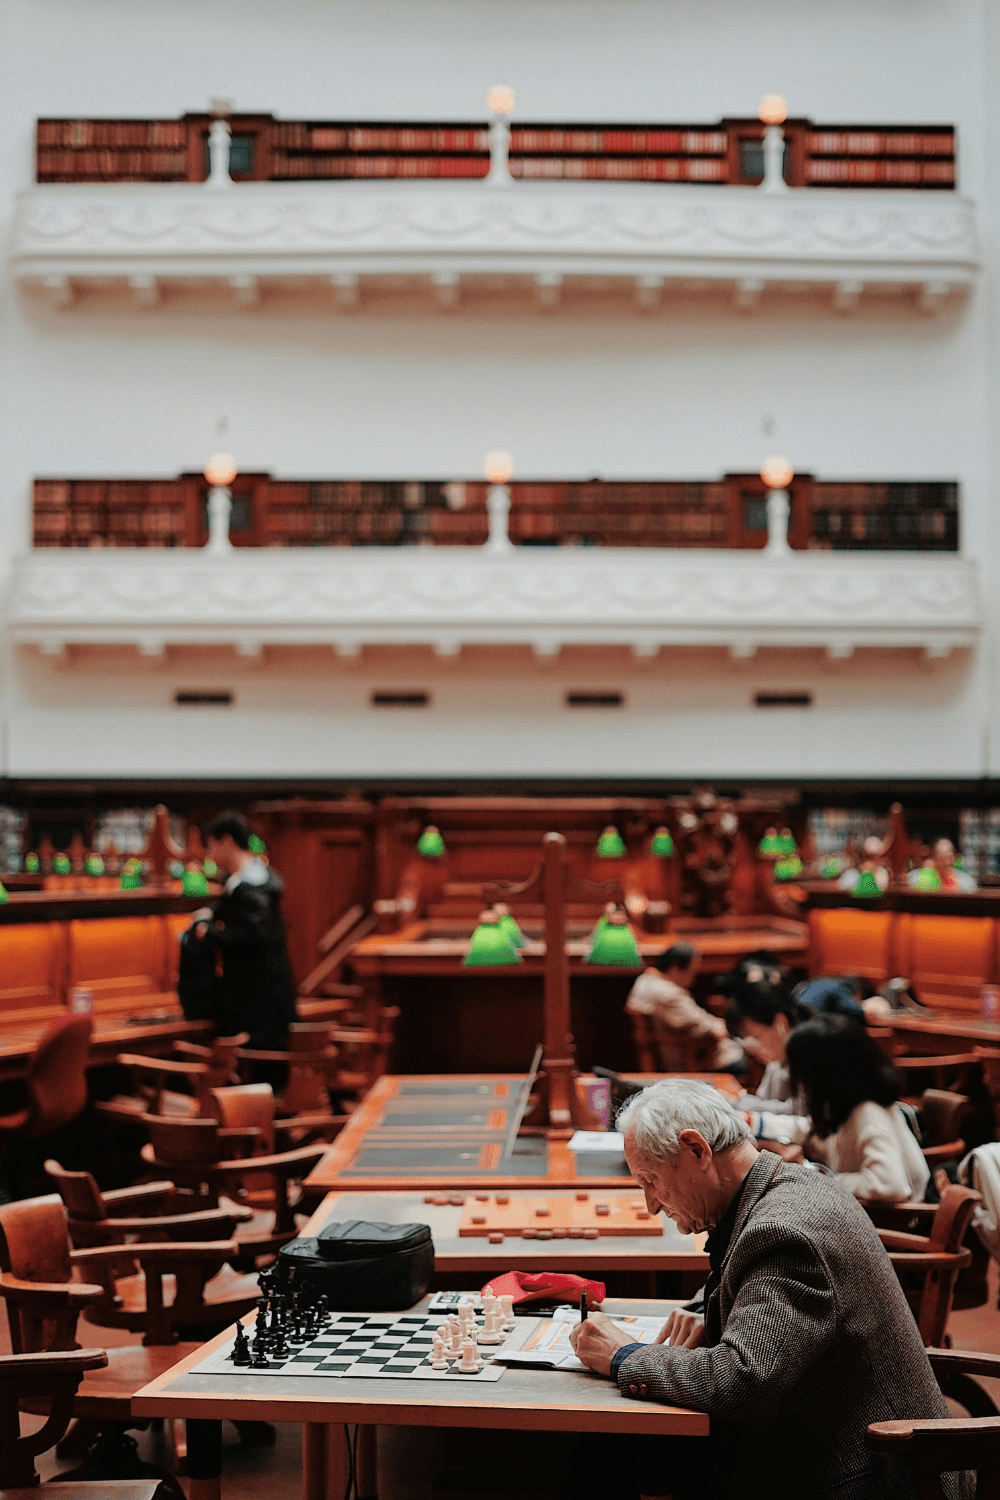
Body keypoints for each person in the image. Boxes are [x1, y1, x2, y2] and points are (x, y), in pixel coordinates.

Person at [569, 1078, 955, 1500]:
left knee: (608, 1462)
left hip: (866, 1479)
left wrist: (623, 1355)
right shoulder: (786, 1186)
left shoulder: (784, 1230)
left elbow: (742, 1381)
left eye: (651, 1180)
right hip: (844, 1452)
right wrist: (706, 1310)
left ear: (696, 1150)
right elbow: (753, 1281)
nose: (651, 1204)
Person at [786, 1013, 929, 1204]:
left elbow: (891, 1185)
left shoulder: (868, 1113)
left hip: (899, 1219)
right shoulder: (848, 1106)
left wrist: (825, 1180)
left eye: (803, 1076)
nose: (801, 1086)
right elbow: (815, 1135)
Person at [188, 809, 297, 1052]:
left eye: (211, 846)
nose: (209, 855)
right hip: (269, 995)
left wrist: (209, 933)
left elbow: (253, 936)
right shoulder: (256, 878)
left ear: (227, 841)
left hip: (256, 1001)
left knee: (257, 1065)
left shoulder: (250, 886)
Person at [626, 943, 744, 1073]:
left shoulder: (644, 980)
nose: (694, 979)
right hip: (694, 1061)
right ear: (675, 968)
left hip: (674, 1055)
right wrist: (734, 1029)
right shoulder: (669, 994)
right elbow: (706, 1026)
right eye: (692, 972)